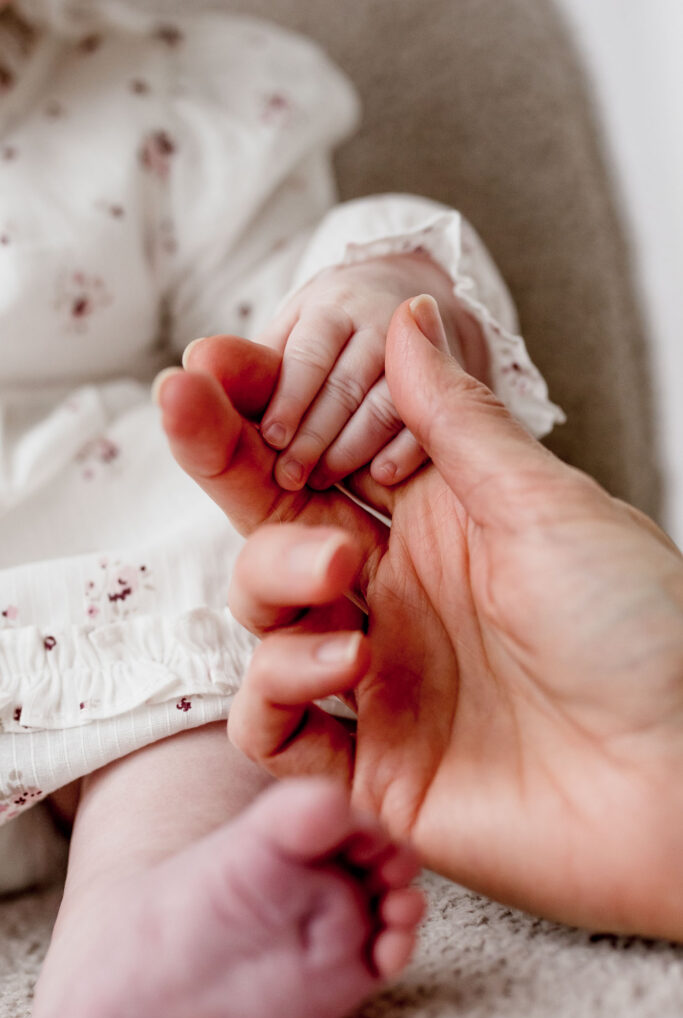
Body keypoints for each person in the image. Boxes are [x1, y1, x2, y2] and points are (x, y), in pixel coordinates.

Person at [0, 1, 564, 1018]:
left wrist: (370, 300)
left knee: (254, 593)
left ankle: (141, 931)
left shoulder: (160, 94)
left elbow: (265, 371)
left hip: (84, 619)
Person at [160, 294, 683, 944]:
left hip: (188, 564)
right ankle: (145, 922)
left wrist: (369, 306)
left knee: (177, 745)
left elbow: (276, 277)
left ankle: (140, 917)